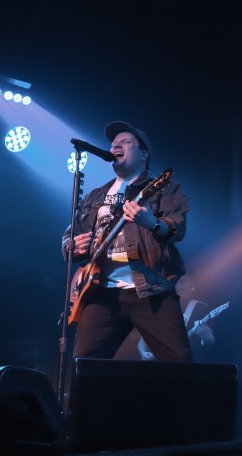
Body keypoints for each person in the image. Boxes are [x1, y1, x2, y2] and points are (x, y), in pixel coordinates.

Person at [62, 120, 192, 362]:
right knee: (85, 366)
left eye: (124, 142)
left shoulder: (163, 187)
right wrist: (72, 245)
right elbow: (71, 234)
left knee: (179, 362)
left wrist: (152, 223)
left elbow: (178, 227)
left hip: (151, 289)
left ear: (144, 154)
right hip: (101, 292)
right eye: (113, 144)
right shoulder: (96, 195)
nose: (115, 146)